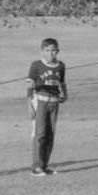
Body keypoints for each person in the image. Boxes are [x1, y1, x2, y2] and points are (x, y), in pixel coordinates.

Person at [25, 37, 68, 176]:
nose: (51, 53)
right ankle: (36, 167)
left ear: (58, 51)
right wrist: (29, 105)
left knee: (50, 135)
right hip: (41, 102)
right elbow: (29, 85)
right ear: (42, 51)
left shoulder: (61, 66)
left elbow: (62, 83)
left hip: (54, 103)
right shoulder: (36, 65)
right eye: (47, 50)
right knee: (40, 134)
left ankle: (44, 165)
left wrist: (65, 94)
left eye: (54, 51)